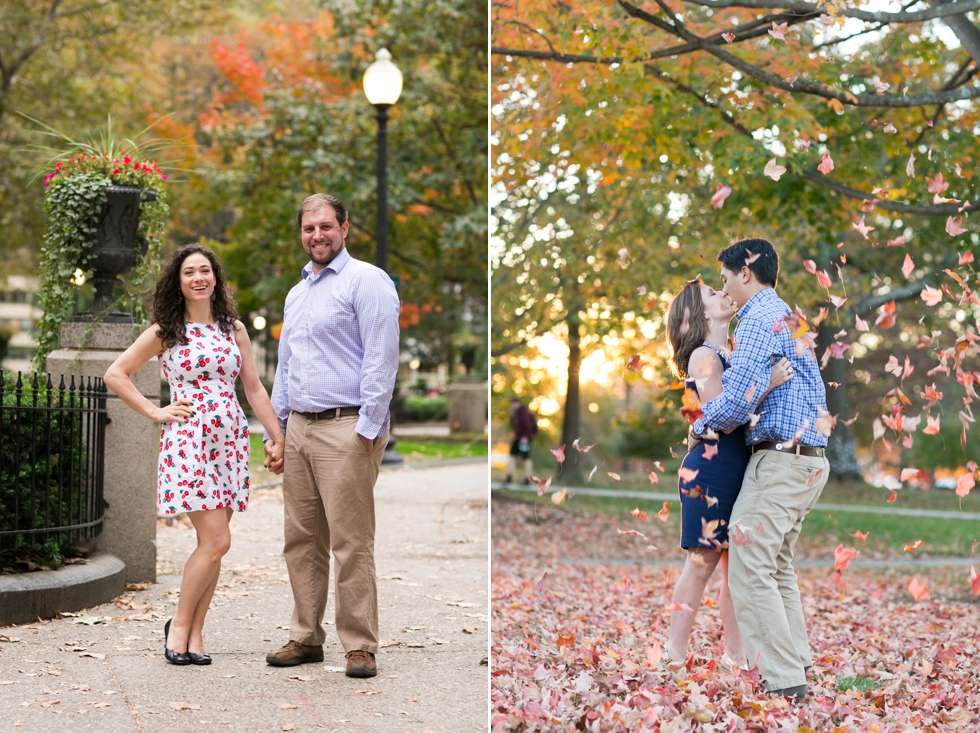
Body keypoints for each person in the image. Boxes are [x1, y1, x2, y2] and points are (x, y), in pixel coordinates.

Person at [104, 244, 284, 665]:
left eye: (205, 270)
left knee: (213, 544)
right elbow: (117, 373)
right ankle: (180, 625)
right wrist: (156, 411)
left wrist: (277, 436)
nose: (198, 278)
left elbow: (254, 389)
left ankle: (196, 631)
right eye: (190, 272)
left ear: (216, 278)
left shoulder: (233, 329)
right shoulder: (167, 330)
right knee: (218, 539)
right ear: (179, 282)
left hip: (231, 442)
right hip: (190, 442)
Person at [263, 193, 400, 679]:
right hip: (298, 427)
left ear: (345, 227)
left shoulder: (367, 281)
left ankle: (360, 645)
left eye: (325, 226)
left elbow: (382, 358)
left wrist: (366, 430)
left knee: (350, 541)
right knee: (301, 539)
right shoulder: (297, 293)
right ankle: (305, 635)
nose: (317, 235)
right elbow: (286, 367)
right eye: (308, 228)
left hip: (347, 426)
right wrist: (277, 431)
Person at [692, 238, 831, 700]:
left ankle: (784, 681)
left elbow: (732, 404)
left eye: (726, 276)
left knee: (750, 565)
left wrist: (699, 424)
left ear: (745, 271)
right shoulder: (787, 315)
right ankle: (797, 666)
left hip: (781, 461)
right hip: (808, 460)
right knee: (776, 567)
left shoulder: (756, 321)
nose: (724, 286)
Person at [660, 276, 792, 679]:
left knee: (737, 571)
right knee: (701, 563)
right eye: (711, 294)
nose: (723, 293)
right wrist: (766, 385)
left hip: (734, 469)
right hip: (712, 470)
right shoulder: (703, 355)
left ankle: (739, 659)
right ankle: (673, 654)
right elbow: (721, 418)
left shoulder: (724, 352)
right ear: (698, 314)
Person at [506, 397, 536, 484]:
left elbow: (528, 425)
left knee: (526, 457)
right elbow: (514, 426)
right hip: (518, 438)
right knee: (512, 455)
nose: (512, 406)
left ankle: (527, 478)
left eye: (513, 404)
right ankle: (509, 476)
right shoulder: (516, 413)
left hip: (524, 439)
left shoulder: (523, 412)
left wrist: (525, 437)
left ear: (517, 403)